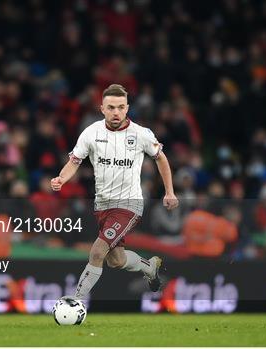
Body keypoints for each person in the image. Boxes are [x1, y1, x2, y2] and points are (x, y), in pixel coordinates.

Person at [51, 84, 179, 300]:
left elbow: (161, 159)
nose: (116, 112)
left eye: (120, 107)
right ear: (102, 108)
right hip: (102, 205)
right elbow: (75, 161)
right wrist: (62, 178)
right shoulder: (91, 133)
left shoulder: (141, 134)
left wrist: (169, 191)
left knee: (98, 251)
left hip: (129, 205)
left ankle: (75, 301)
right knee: (116, 260)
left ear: (127, 108)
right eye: (111, 107)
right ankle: (150, 267)